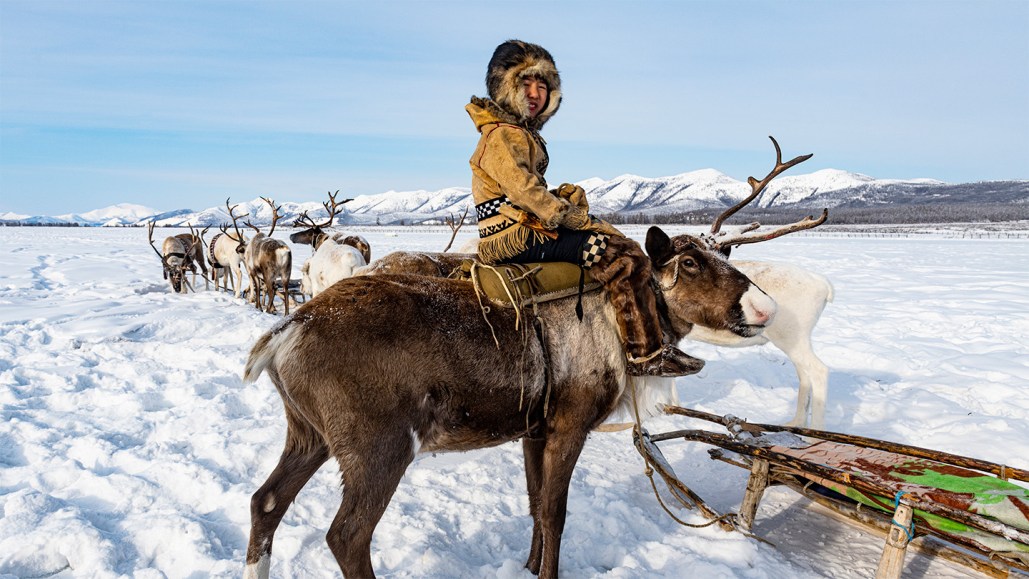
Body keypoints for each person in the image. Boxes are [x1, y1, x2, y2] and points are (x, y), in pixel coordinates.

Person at [466, 39, 703, 377]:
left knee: (618, 242)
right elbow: (523, 192)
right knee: (623, 259)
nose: (534, 93)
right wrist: (568, 215)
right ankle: (645, 353)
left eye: (542, 85)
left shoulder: (516, 133)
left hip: (524, 228)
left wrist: (562, 197)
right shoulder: (503, 135)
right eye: (525, 83)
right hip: (515, 236)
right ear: (505, 88)